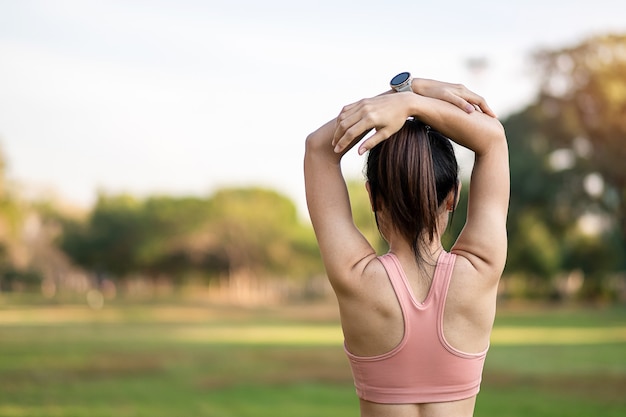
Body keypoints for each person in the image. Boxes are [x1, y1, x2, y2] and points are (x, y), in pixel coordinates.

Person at [304, 75, 509, 417]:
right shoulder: (481, 268)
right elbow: (493, 139)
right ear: (453, 196)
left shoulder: (355, 277)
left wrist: (403, 94)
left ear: (372, 197)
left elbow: (318, 148)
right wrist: (411, 100)